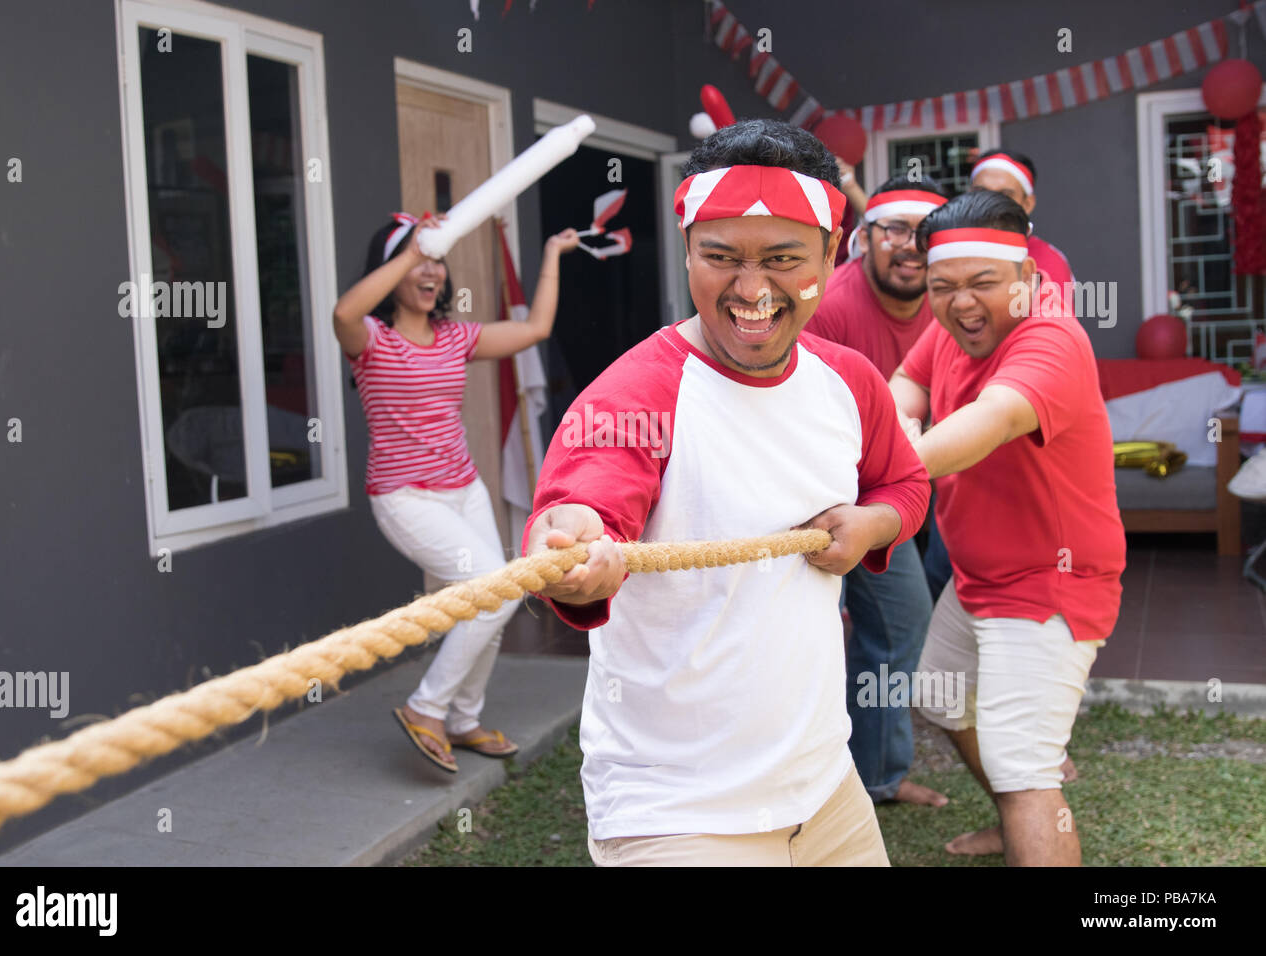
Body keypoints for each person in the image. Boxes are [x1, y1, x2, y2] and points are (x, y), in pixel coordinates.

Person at [523, 119, 931, 867]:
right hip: (676, 811)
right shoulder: (637, 392)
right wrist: (576, 545)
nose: (751, 290)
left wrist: (873, 523)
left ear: (831, 257)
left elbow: (905, 481)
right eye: (720, 258)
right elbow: (583, 505)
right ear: (687, 252)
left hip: (824, 783)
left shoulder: (848, 382)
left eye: (783, 260)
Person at [889, 190, 1125, 865]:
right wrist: (899, 422)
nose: (961, 303)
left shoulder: (1051, 337)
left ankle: (1029, 802)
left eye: (983, 284)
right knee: (939, 694)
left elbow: (987, 424)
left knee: (1023, 769)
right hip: (980, 575)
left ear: (1025, 278)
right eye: (942, 288)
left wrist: (886, 465)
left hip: (1052, 580)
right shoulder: (956, 324)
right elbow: (904, 384)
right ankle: (1017, 809)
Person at [332, 212, 580, 773]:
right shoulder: (370, 338)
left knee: (492, 596)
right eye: (419, 261)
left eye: (438, 261)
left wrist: (552, 254)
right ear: (392, 270)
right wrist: (415, 246)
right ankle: (427, 708)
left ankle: (464, 718)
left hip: (464, 488)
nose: (432, 272)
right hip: (406, 497)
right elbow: (344, 310)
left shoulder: (454, 337)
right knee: (496, 587)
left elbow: (536, 328)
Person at [804, 176, 949, 810]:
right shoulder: (833, 305)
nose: (910, 246)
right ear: (865, 239)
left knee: (898, 625)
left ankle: (874, 773)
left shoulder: (948, 302)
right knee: (896, 623)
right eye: (894, 230)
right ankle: (866, 774)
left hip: (907, 486)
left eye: (924, 233)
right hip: (830, 496)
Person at [970, 148, 1075, 296]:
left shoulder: (1048, 262)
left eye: (1005, 195)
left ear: (1028, 203)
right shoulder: (951, 252)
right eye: (981, 192)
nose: (990, 203)